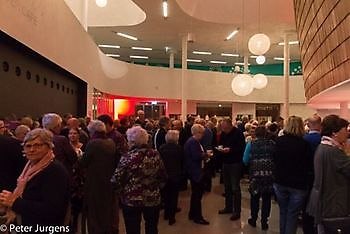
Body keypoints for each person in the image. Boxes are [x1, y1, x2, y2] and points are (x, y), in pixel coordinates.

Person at [0, 129, 70, 228]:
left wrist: (15, 202)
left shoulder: (54, 170)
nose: (32, 149)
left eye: (38, 145)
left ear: (49, 146)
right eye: (28, 146)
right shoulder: (29, 166)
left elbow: (51, 210)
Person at [113, 126, 167, 234]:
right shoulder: (155, 154)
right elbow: (163, 175)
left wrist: (120, 191)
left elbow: (117, 178)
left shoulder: (127, 156)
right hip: (152, 197)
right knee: (151, 227)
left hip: (131, 199)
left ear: (132, 142)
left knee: (132, 228)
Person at [307, 115, 350, 234]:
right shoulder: (333, 152)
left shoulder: (323, 147)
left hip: (324, 201)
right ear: (335, 133)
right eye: (345, 130)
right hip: (333, 203)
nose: (347, 133)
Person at [274, 116, 313, 234]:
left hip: (280, 181)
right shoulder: (304, 144)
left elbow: (274, 160)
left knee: (283, 212)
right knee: (292, 215)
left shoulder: (278, 141)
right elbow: (308, 164)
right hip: (298, 184)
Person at [82, 120, 118, 234]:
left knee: (95, 211)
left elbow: (84, 162)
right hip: (108, 180)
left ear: (92, 131)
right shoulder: (110, 142)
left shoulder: (93, 143)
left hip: (95, 181)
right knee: (107, 208)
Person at [243, 126, 275, 230]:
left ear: (255, 134)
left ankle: (253, 219)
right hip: (268, 175)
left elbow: (245, 160)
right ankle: (264, 222)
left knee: (255, 198)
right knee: (266, 199)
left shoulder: (250, 144)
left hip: (255, 175)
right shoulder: (272, 144)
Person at [217, 118, 245, 221]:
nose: (224, 129)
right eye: (222, 128)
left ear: (230, 125)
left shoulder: (238, 133)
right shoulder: (224, 134)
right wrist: (220, 148)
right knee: (227, 187)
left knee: (235, 188)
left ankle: (237, 211)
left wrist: (230, 150)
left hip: (235, 163)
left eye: (225, 128)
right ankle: (228, 207)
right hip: (226, 162)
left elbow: (242, 148)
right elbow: (221, 143)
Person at [184, 124, 210, 225]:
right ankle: (197, 217)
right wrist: (206, 154)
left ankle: (192, 213)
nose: (203, 135)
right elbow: (196, 156)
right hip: (195, 170)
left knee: (195, 194)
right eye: (202, 133)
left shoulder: (192, 141)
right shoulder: (193, 142)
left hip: (194, 170)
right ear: (197, 132)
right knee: (197, 195)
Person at [159, 130, 184, 225]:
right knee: (174, 196)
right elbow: (182, 162)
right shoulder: (179, 148)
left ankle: (166, 213)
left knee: (165, 195)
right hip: (175, 175)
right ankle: (171, 217)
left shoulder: (161, 148)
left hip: (164, 175)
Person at [302, 114, 322, 234]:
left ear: (308, 125)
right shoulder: (322, 140)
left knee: (306, 204)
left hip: (306, 175)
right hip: (318, 174)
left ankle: (307, 228)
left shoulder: (304, 139)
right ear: (320, 125)